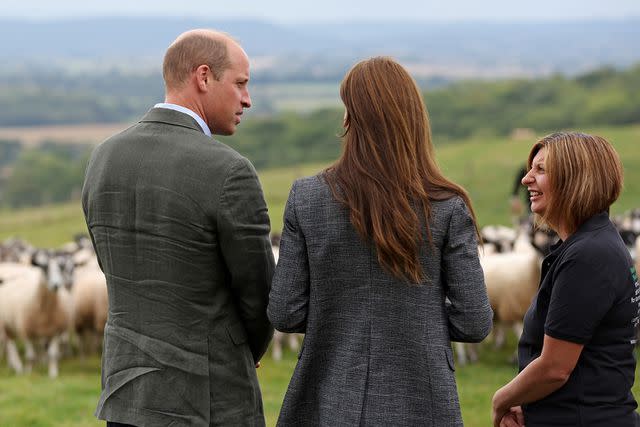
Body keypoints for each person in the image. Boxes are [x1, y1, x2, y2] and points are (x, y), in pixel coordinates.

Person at [267, 56, 493, 426]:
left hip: (327, 398)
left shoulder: (306, 198)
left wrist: (337, 318)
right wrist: (415, 322)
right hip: (423, 403)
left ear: (350, 119)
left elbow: (285, 312)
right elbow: (474, 322)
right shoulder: (448, 207)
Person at [82, 29, 275, 427]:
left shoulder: (103, 157)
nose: (247, 99)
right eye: (240, 83)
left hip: (125, 396)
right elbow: (260, 296)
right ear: (203, 77)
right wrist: (246, 350)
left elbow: (113, 268)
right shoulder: (228, 172)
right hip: (209, 402)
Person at [492, 132, 639, 427]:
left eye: (541, 170)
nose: (526, 179)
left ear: (575, 179)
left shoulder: (588, 255)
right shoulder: (587, 245)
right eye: (530, 168)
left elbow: (555, 367)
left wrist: (503, 399)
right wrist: (533, 405)